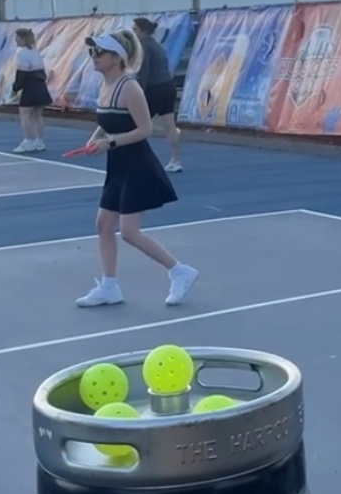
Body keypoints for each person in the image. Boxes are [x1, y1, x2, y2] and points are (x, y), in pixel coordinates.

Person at [74, 29, 199, 308]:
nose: (94, 57)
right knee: (103, 225)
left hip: (137, 165)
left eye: (99, 52)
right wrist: (96, 140)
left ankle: (180, 272)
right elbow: (108, 120)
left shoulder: (129, 87)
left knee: (129, 232)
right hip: (118, 165)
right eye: (92, 51)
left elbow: (145, 129)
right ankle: (109, 287)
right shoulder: (106, 86)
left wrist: (111, 143)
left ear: (117, 58)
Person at [132, 17, 182, 172]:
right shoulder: (159, 46)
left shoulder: (143, 47)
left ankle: (139, 160)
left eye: (134, 29)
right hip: (167, 87)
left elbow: (143, 72)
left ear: (141, 30)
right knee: (170, 126)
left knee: (138, 126)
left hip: (153, 89)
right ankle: (176, 160)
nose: (133, 31)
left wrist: (138, 92)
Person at [10, 27, 53, 153]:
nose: (15, 40)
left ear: (22, 39)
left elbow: (21, 74)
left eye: (17, 38)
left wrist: (15, 89)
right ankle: (39, 142)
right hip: (40, 86)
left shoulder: (21, 53)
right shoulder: (35, 51)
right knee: (37, 116)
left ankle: (29, 141)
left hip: (30, 87)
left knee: (25, 115)